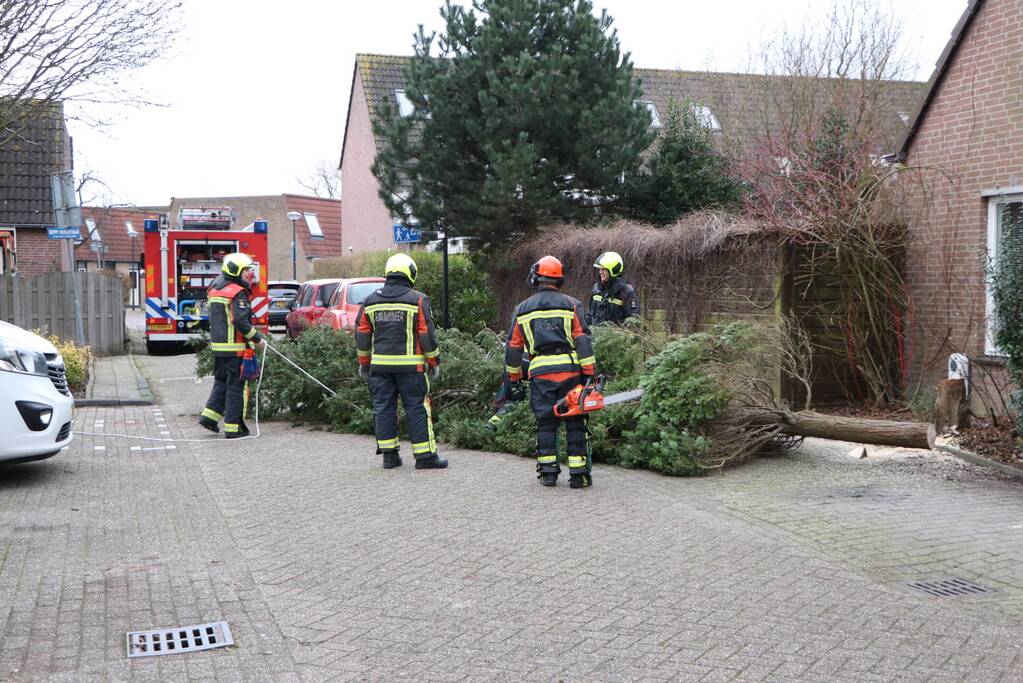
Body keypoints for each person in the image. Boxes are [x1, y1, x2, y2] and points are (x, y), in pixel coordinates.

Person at [505, 255, 596, 488]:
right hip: (570, 370)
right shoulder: (572, 305)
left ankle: (547, 473)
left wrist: (514, 378)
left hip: (540, 372)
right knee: (575, 421)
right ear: (560, 278)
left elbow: (513, 348)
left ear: (537, 277)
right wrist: (589, 374)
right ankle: (578, 476)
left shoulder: (522, 309)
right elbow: (582, 342)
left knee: (546, 422)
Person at [354, 253, 447, 470]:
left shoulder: (370, 300)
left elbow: (361, 334)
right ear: (410, 273)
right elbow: (426, 335)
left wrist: (364, 362)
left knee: (384, 408)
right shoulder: (418, 299)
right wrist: (434, 362)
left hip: (379, 368)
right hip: (411, 369)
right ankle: (425, 457)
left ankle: (390, 457)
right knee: (417, 408)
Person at [199, 252, 265, 438]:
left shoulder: (215, 288)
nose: (249, 274)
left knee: (221, 382)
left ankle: (209, 418)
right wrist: (257, 338)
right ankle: (234, 429)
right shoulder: (237, 292)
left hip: (219, 348)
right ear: (236, 271)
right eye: (246, 271)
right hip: (235, 348)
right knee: (237, 386)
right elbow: (241, 322)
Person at [587, 251, 639, 325]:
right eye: (600, 269)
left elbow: (633, 321)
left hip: (616, 336)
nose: (600, 272)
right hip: (595, 335)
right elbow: (589, 315)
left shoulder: (627, 291)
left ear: (614, 270)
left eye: (604, 269)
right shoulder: (596, 288)